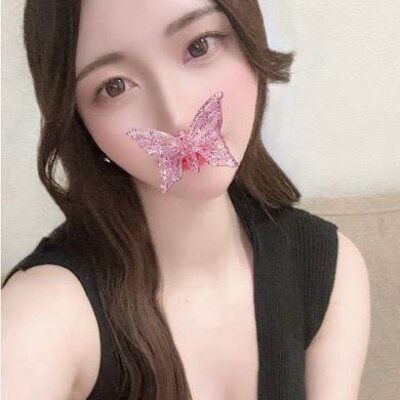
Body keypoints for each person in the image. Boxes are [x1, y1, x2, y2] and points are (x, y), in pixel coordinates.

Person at [1, 1, 370, 399]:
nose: (176, 116)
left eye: (199, 46)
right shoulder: (43, 311)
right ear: (79, 120)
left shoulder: (326, 266)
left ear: (248, 36)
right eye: (114, 86)